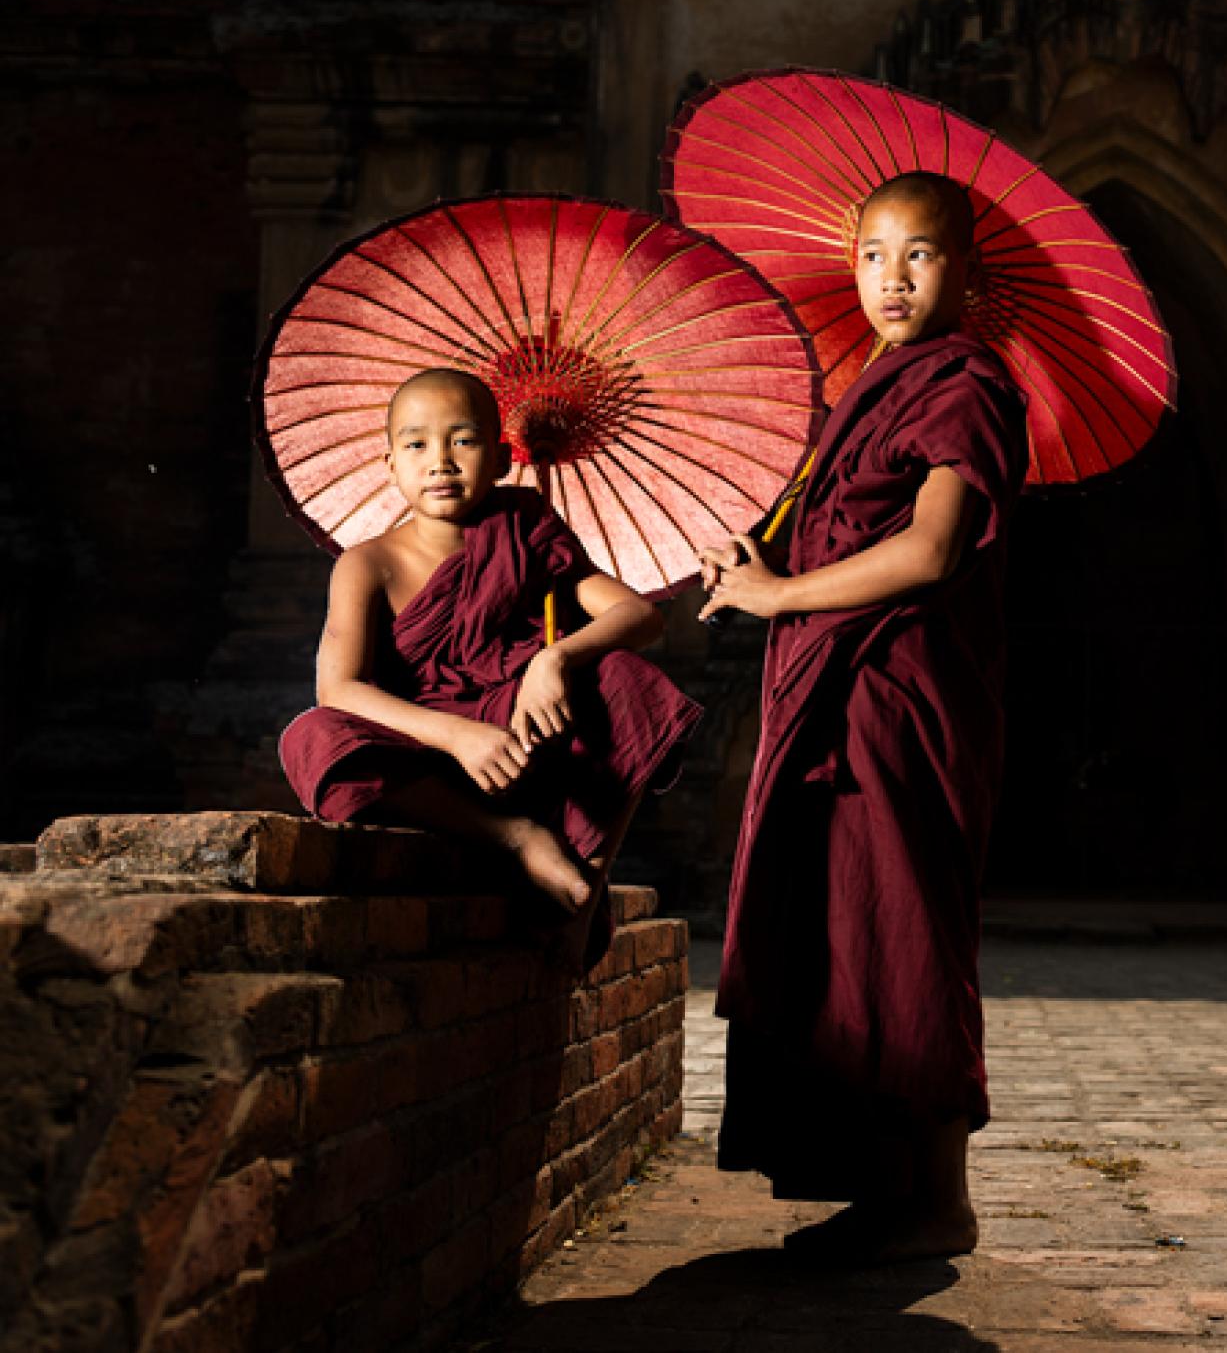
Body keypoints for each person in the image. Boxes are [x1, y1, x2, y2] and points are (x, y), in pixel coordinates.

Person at [697, 171, 1028, 1263]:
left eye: (921, 253)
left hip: (899, 689)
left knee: (905, 927)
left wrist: (781, 596)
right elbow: (845, 536)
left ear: (966, 271)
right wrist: (769, 563)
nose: (892, 276)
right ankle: (885, 1189)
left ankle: (940, 1199)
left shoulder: (969, 381)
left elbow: (930, 550)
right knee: (847, 932)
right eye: (874, 254)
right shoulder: (868, 385)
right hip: (828, 685)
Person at [280, 369, 701, 958]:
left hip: (523, 741)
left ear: (503, 459)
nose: (441, 462)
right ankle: (515, 840)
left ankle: (584, 891)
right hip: (429, 761)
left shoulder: (525, 529)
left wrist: (554, 659)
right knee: (312, 737)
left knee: (627, 681)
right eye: (417, 444)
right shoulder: (367, 563)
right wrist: (458, 736)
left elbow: (640, 616)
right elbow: (339, 688)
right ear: (390, 464)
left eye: (464, 440)